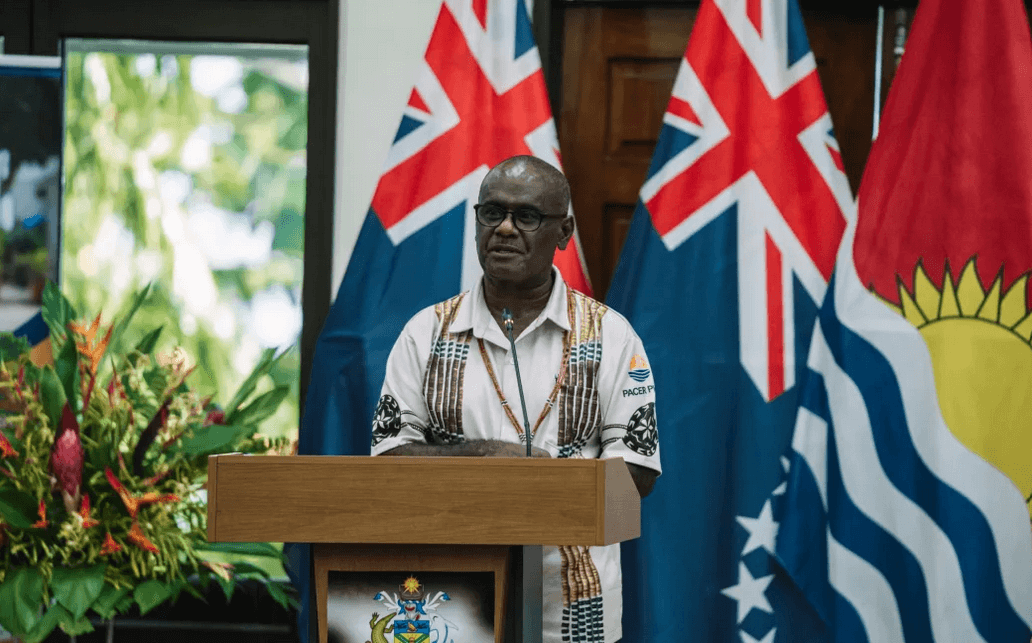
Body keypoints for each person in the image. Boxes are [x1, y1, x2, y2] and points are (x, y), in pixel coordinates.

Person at [370, 155, 661, 643]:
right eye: (492, 213)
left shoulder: (612, 336)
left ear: (564, 232)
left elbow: (637, 472)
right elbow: (388, 459)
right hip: (446, 598)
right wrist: (488, 457)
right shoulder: (425, 333)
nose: (504, 229)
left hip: (570, 599)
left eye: (526, 217)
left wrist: (540, 489)